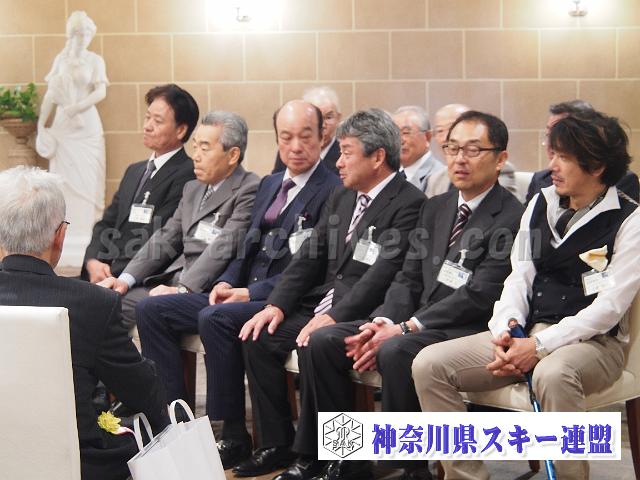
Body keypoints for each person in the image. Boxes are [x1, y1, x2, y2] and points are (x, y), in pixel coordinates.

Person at [280, 111, 524, 480]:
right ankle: (346, 458)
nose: (460, 159)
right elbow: (408, 277)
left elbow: (479, 294)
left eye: (473, 150)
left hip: (464, 327)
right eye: (453, 149)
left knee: (396, 349)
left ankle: (411, 467)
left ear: (500, 158)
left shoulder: (512, 216)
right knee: (325, 341)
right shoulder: (437, 206)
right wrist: (382, 321)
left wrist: (406, 327)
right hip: (414, 321)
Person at [412, 111, 640, 480]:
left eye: (564, 157)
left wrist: (538, 346)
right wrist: (508, 328)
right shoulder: (540, 204)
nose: (552, 166)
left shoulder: (630, 220)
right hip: (526, 332)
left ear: (597, 166)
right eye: (553, 154)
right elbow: (519, 275)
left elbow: (610, 308)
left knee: (552, 373)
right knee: (429, 364)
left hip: (594, 344)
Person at [136, 99, 340, 470]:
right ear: (276, 138)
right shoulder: (271, 183)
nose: (295, 146)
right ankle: (173, 424)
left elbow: (310, 267)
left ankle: (232, 433)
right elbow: (244, 245)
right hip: (242, 292)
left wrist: (250, 293)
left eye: (305, 136)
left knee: (216, 318)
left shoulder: (333, 189)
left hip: (282, 298)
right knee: (152, 309)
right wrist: (228, 280)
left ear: (323, 136)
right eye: (286, 137)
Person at [235, 108, 426, 478]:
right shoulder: (342, 196)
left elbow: (381, 275)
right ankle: (276, 444)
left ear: (378, 157)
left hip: (366, 310)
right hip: (325, 303)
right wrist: (276, 305)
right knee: (260, 334)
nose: (337, 162)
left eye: (346, 153)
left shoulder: (409, 203)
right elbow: (309, 256)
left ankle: (337, 457)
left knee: (319, 342)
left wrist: (334, 316)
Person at [0, 166, 168, 480]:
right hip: (78, 462)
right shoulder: (93, 304)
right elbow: (142, 390)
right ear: (60, 236)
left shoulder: (92, 302)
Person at [99, 111, 260, 328]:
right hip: (173, 279)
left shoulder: (249, 188)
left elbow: (223, 247)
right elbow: (166, 237)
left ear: (232, 155)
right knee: (106, 300)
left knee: (136, 307)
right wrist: (125, 279)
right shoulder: (193, 188)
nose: (196, 156)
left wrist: (183, 289)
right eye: (195, 147)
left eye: (205, 148)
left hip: (207, 289)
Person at [81, 84, 199, 283]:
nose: (147, 126)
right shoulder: (134, 171)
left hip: (138, 278)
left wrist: (116, 274)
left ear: (181, 130)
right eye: (147, 117)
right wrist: (93, 261)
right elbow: (107, 223)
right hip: (104, 273)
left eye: (158, 121)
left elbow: (159, 235)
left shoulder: (188, 174)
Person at [36, 11, 108, 262]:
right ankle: (65, 233)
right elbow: (51, 93)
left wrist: (77, 107)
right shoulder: (61, 59)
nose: (85, 37)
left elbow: (100, 91)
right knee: (64, 179)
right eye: (81, 33)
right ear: (73, 34)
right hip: (64, 126)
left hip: (86, 124)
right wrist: (41, 123)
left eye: (88, 33)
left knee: (89, 178)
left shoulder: (95, 60)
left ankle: (88, 233)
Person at [526, 99, 639, 202]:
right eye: (548, 135)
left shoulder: (623, 188)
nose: (551, 143)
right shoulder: (540, 186)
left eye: (563, 157)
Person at [427, 103, 518, 199]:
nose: (445, 137)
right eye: (440, 131)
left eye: (472, 150)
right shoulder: (436, 179)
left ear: (500, 160)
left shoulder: (498, 169)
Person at [272, 86, 342, 174]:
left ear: (338, 118)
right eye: (318, 118)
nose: (323, 125)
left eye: (328, 117)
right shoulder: (288, 150)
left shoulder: (343, 155)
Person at [393, 105, 444, 193]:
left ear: (427, 137)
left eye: (405, 133)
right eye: (394, 133)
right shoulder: (390, 175)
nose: (399, 140)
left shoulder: (441, 177)